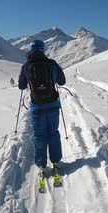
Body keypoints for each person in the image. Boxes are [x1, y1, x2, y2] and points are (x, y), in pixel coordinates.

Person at [18, 40, 66, 174]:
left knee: (39, 135)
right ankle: (56, 162)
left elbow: (21, 86)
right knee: (53, 133)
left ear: (31, 50)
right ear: (43, 49)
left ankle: (42, 166)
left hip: (37, 107)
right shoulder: (52, 63)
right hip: (53, 105)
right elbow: (62, 82)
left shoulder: (26, 66)